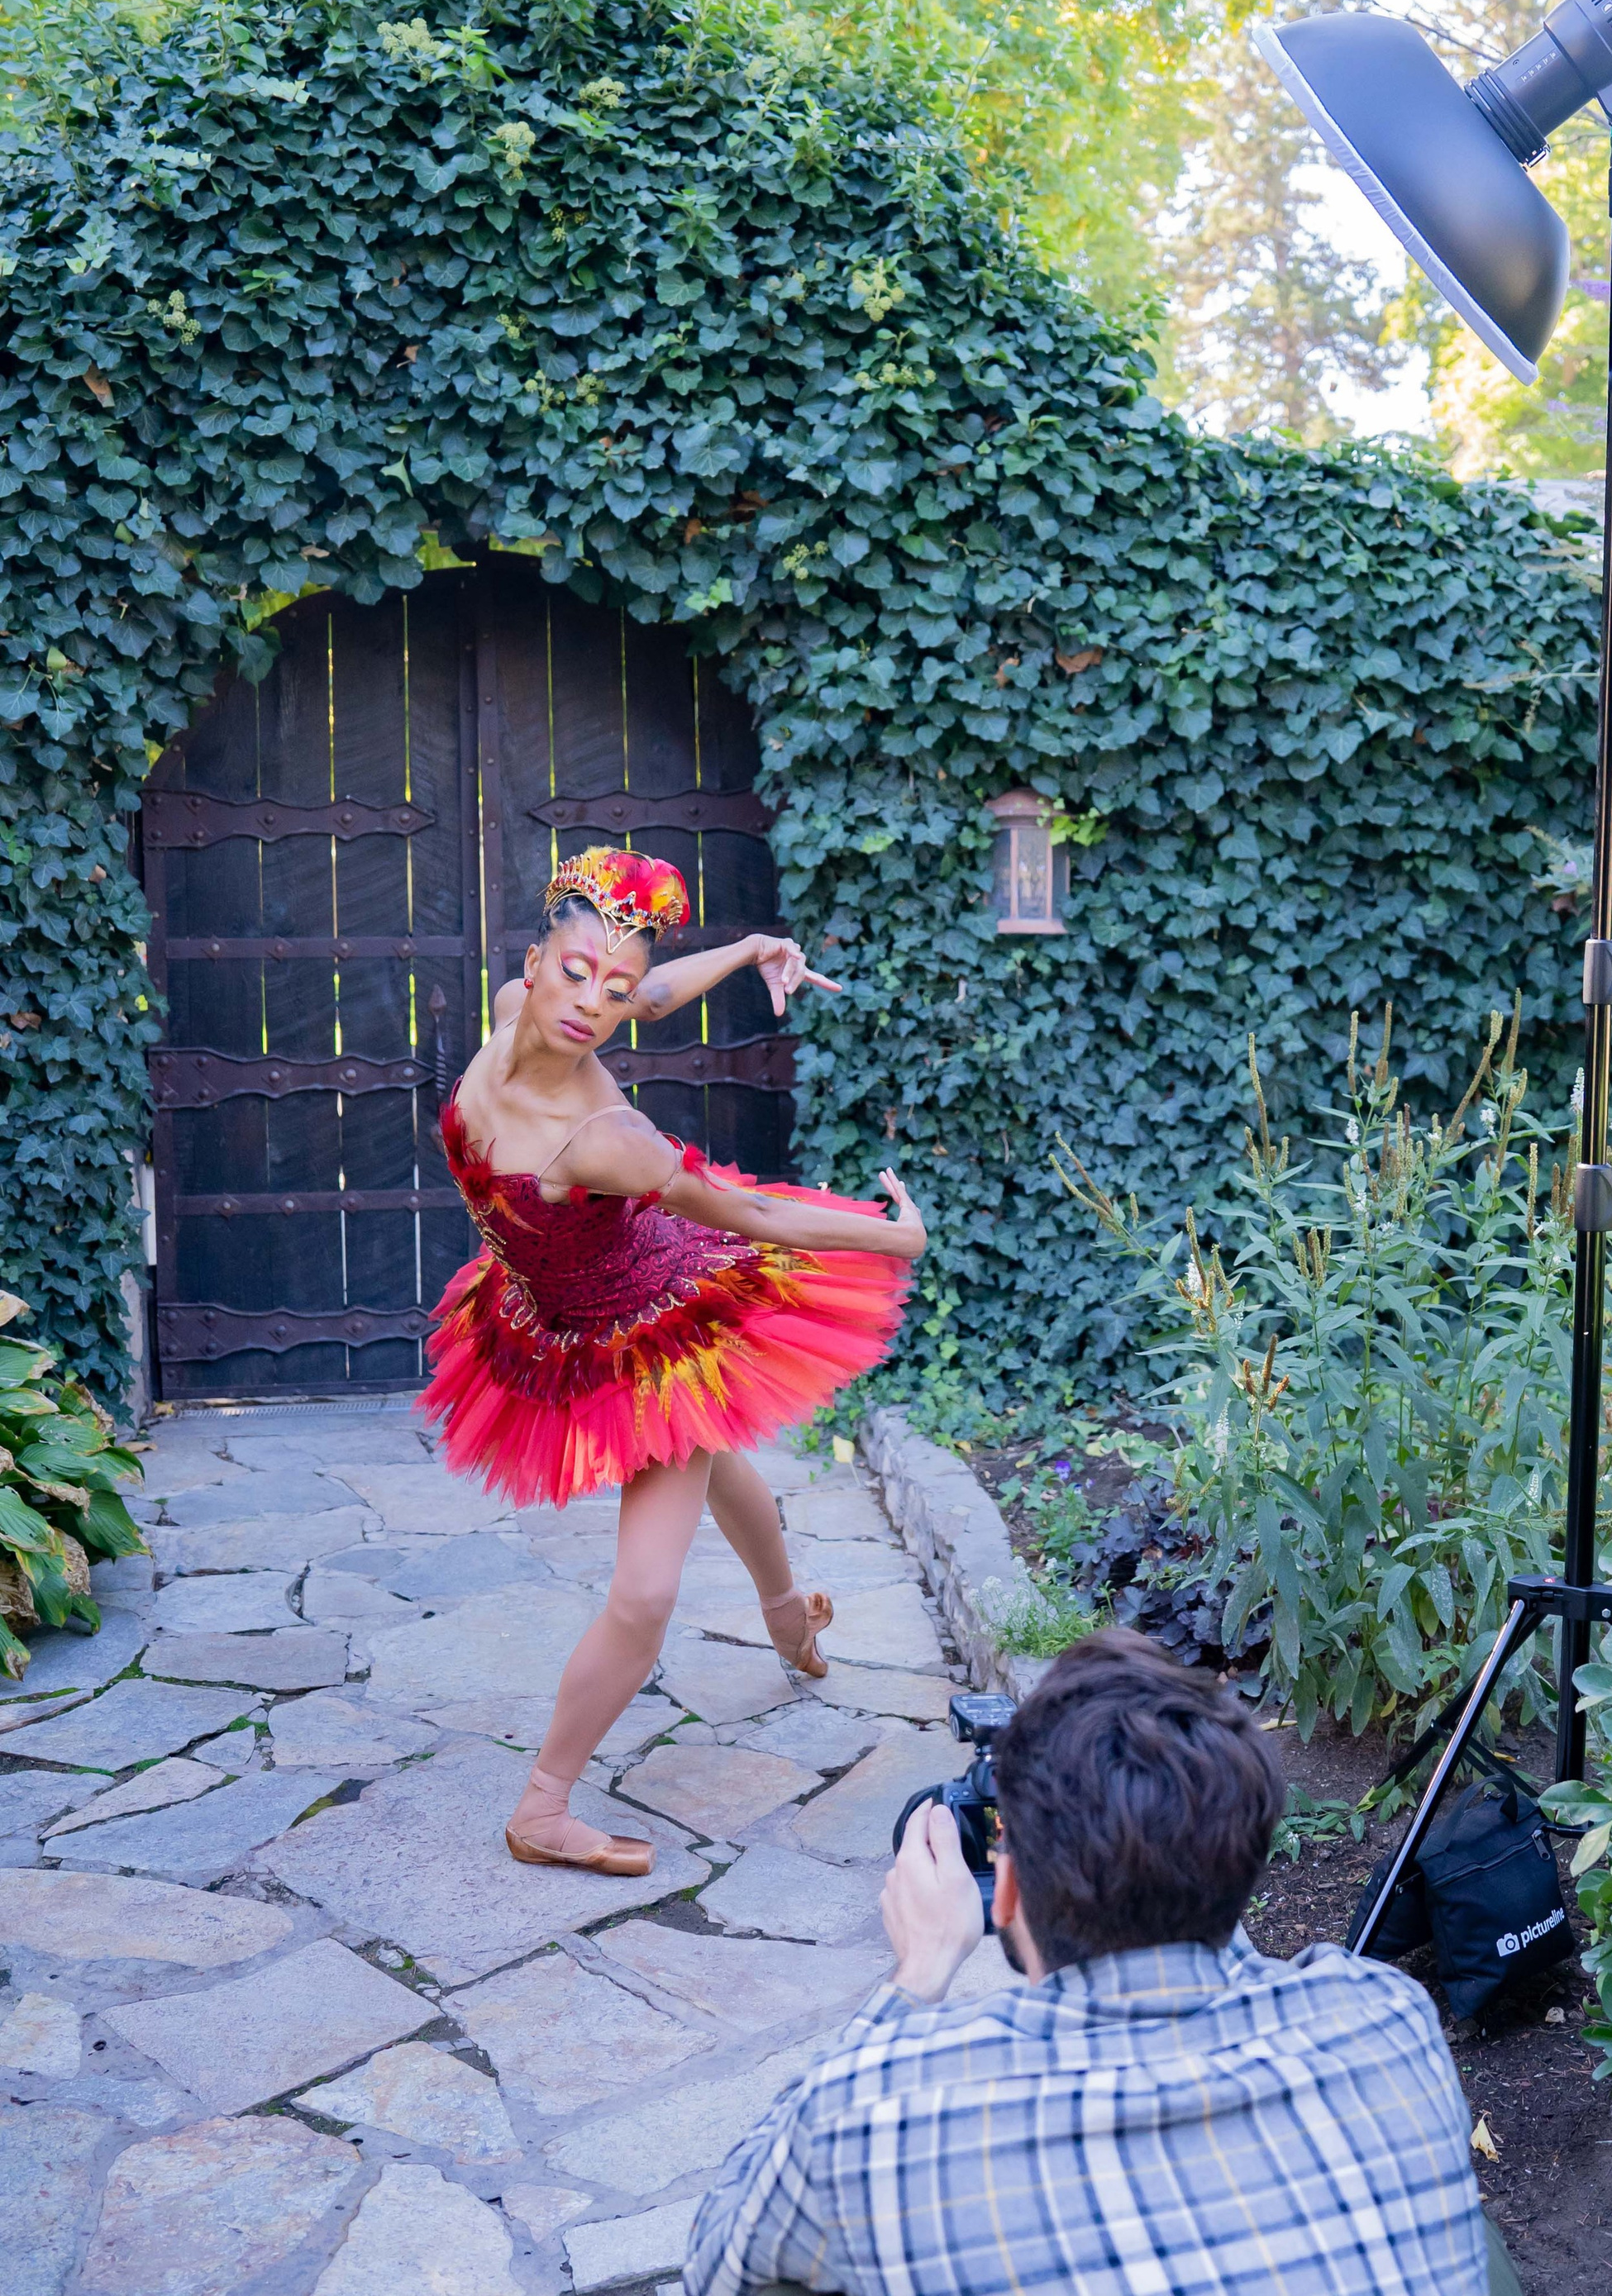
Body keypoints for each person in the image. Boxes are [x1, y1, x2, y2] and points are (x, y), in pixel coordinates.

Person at [684, 1629, 1492, 2296]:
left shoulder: (873, 2121)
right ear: (1243, 1858)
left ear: (1004, 1892)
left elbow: (717, 2265)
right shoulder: (1386, 2016)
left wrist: (920, 1969)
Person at [423, 844, 926, 1876]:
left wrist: (894, 1238)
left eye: (608, 995)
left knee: (646, 1589)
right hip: (550, 1305)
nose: (591, 1007)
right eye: (575, 975)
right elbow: (650, 987)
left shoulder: (613, 1137)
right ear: (532, 962)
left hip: (656, 1319)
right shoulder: (518, 1014)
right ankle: (791, 1617)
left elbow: (746, 1212)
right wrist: (748, 949)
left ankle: (543, 1805)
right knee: (710, 1453)